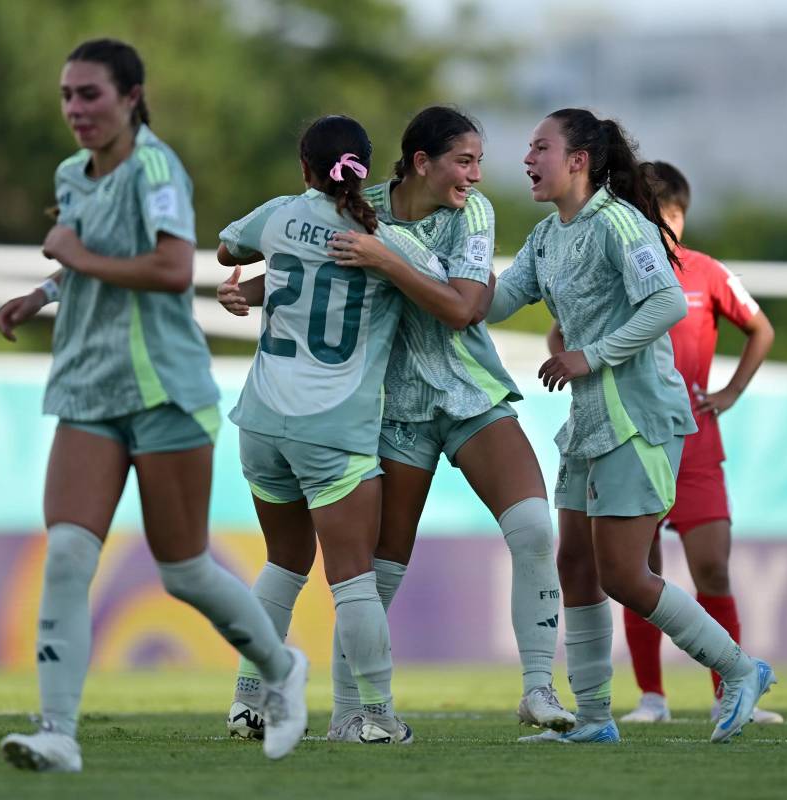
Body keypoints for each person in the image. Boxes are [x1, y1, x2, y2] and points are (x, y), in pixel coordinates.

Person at [0, 39, 307, 772]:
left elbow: (170, 269)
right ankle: (59, 735)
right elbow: (88, 258)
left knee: (182, 568)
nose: (76, 109)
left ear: (131, 97)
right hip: (88, 389)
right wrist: (41, 292)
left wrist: (69, 257)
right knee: (69, 553)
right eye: (68, 95)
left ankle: (281, 669)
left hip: (165, 389)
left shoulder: (158, 168)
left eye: (90, 95)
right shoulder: (72, 175)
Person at [228, 106, 569, 738]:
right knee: (370, 578)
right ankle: (351, 714)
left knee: (531, 528)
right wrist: (252, 291)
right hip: (394, 410)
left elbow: (465, 311)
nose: (475, 176)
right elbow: (312, 269)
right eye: (463, 162)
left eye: (478, 163)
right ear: (421, 162)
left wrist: (385, 263)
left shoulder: (473, 214)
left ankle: (539, 689)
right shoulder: (361, 204)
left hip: (469, 393)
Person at [486, 109, 776, 745]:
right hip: (589, 421)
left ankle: (739, 669)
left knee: (621, 573)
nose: (527, 158)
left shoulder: (619, 222)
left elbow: (668, 302)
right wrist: (420, 266)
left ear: (579, 160)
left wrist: (590, 354)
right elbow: (495, 301)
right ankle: (594, 719)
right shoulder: (547, 236)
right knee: (576, 566)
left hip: (638, 420)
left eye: (541, 146)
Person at [215, 114, 455, 744]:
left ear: (304, 168)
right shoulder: (384, 239)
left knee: (283, 565)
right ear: (369, 171)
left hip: (262, 421)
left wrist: (250, 286)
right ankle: (373, 716)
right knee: (353, 578)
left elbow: (227, 252)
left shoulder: (276, 215)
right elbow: (456, 299)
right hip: (334, 428)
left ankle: (249, 703)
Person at [556, 161, 780, 725]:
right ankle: (652, 698)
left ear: (681, 216)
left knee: (712, 569)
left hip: (697, 443)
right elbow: (563, 325)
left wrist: (728, 392)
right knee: (634, 571)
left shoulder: (706, 274)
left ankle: (727, 693)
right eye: (649, 214)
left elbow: (761, 328)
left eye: (668, 216)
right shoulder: (614, 265)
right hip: (632, 434)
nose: (659, 225)